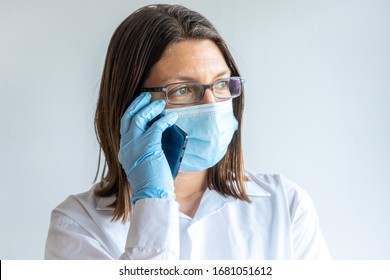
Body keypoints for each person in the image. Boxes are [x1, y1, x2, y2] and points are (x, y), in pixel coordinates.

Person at [44, 4, 331, 260]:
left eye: (220, 84)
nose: (212, 105)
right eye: (183, 89)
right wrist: (153, 199)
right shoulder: (78, 226)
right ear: (132, 104)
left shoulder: (287, 205)